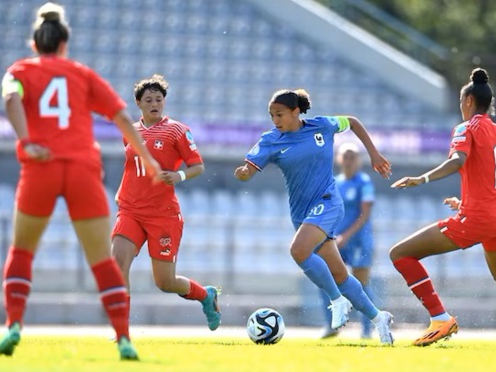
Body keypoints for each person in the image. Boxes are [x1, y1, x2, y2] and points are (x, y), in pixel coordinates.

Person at [0, 2, 161, 360]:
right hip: (82, 168)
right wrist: (146, 158)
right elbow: (119, 114)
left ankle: (13, 325)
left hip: (41, 166)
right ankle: (123, 339)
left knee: (22, 251)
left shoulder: (19, 70)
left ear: (35, 43)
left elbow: (11, 99)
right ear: (64, 44)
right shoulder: (81, 73)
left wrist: (27, 140)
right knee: (101, 259)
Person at [389, 68, 496, 348]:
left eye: (461, 102)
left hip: (480, 218)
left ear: (469, 100)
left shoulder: (465, 128)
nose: (461, 107)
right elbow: (493, 178)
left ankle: (439, 319)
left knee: (399, 254)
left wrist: (421, 178)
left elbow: (458, 160)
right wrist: (465, 203)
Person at [234, 89, 395, 345]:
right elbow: (250, 169)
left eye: (280, 114)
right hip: (301, 213)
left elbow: (352, 121)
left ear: (296, 112)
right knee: (340, 275)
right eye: (271, 115)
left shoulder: (322, 125)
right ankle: (379, 319)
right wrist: (243, 173)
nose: (275, 120)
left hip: (328, 202)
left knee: (298, 251)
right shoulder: (271, 140)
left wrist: (374, 154)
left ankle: (336, 301)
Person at [111, 75, 221, 331]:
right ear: (138, 103)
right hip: (130, 210)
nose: (154, 104)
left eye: (159, 99)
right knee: (118, 265)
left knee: (165, 282)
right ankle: (121, 332)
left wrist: (178, 175)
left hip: (163, 214)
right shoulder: (131, 132)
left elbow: (198, 166)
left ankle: (205, 295)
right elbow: (133, 167)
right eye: (148, 99)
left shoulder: (177, 130)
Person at [320, 143, 377, 339]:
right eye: (346, 156)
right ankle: (331, 326)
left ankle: (368, 330)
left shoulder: (364, 182)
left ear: (359, 160)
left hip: (359, 240)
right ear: (338, 159)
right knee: (325, 278)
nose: (349, 161)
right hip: (336, 240)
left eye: (353, 157)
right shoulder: (334, 183)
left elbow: (365, 214)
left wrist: (346, 235)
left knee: (361, 283)